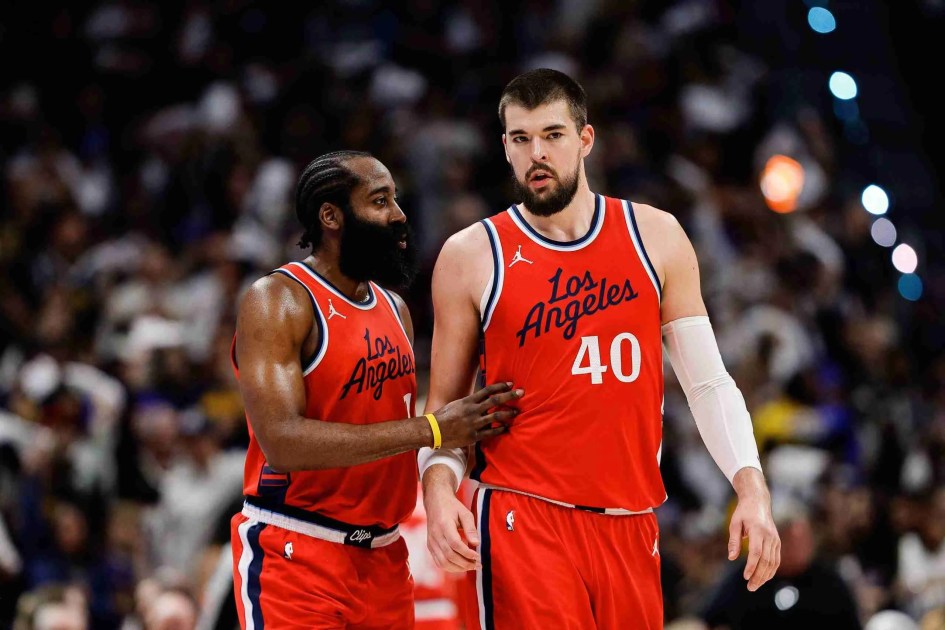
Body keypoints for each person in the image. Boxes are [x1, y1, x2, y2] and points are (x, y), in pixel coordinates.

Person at [418, 69, 781, 628]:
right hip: (523, 517)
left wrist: (750, 487)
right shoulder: (471, 254)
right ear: (506, 148)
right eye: (521, 139)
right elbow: (445, 410)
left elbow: (708, 383)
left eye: (553, 135)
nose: (537, 153)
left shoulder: (656, 236)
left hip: (631, 522)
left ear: (585, 139)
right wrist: (438, 489)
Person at [230, 150, 522, 628]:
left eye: (396, 200)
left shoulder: (395, 308)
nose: (398, 216)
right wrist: (431, 430)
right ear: (331, 216)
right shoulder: (278, 300)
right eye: (380, 201)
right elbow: (281, 441)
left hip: (383, 557)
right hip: (297, 553)